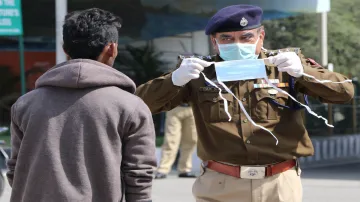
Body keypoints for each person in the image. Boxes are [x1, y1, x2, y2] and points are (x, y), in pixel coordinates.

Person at [136, 4, 354, 202]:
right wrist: (173, 80)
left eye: (246, 37)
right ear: (215, 41)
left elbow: (344, 92)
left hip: (278, 184)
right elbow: (139, 105)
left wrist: (302, 71)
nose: (237, 44)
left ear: (261, 36)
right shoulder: (199, 72)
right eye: (227, 38)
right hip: (219, 184)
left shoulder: (284, 66)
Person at [7, 8, 156, 202]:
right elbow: (139, 176)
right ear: (112, 48)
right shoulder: (131, 107)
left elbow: (16, 170)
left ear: (65, 49)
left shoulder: (25, 104)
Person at [155, 104, 197, 179]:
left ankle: (185, 169)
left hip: (192, 108)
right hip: (174, 107)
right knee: (170, 141)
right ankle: (163, 169)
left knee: (191, 140)